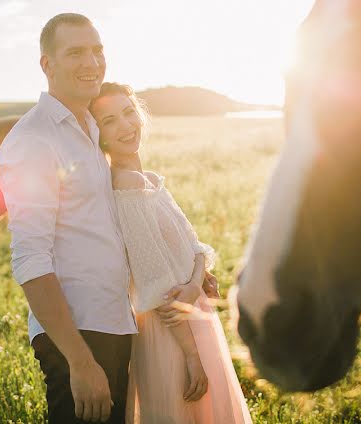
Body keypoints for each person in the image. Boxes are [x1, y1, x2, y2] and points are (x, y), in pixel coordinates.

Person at [0, 13, 136, 424]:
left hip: (113, 322)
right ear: (47, 64)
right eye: (76, 52)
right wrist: (80, 361)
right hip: (77, 336)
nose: (91, 62)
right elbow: (30, 259)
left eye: (97, 50)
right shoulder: (33, 141)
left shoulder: (91, 126)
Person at [89, 82, 252, 424]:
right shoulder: (126, 186)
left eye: (129, 112)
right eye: (109, 120)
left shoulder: (147, 180)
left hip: (193, 314)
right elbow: (154, 281)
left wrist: (197, 281)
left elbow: (192, 246)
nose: (125, 125)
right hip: (172, 335)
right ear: (98, 135)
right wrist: (191, 355)